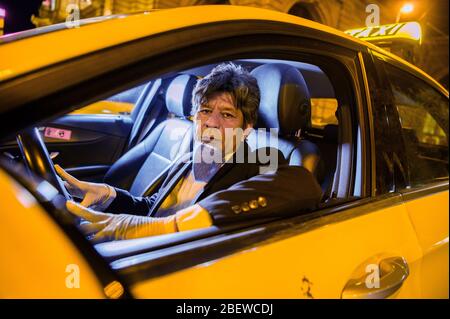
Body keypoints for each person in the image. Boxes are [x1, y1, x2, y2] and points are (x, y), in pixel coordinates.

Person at [57, 63, 322, 243]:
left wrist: (178, 224)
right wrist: (108, 196)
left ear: (247, 128)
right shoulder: (189, 159)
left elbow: (304, 185)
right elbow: (156, 209)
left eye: (227, 115)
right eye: (205, 111)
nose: (212, 122)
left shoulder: (259, 162)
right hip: (143, 250)